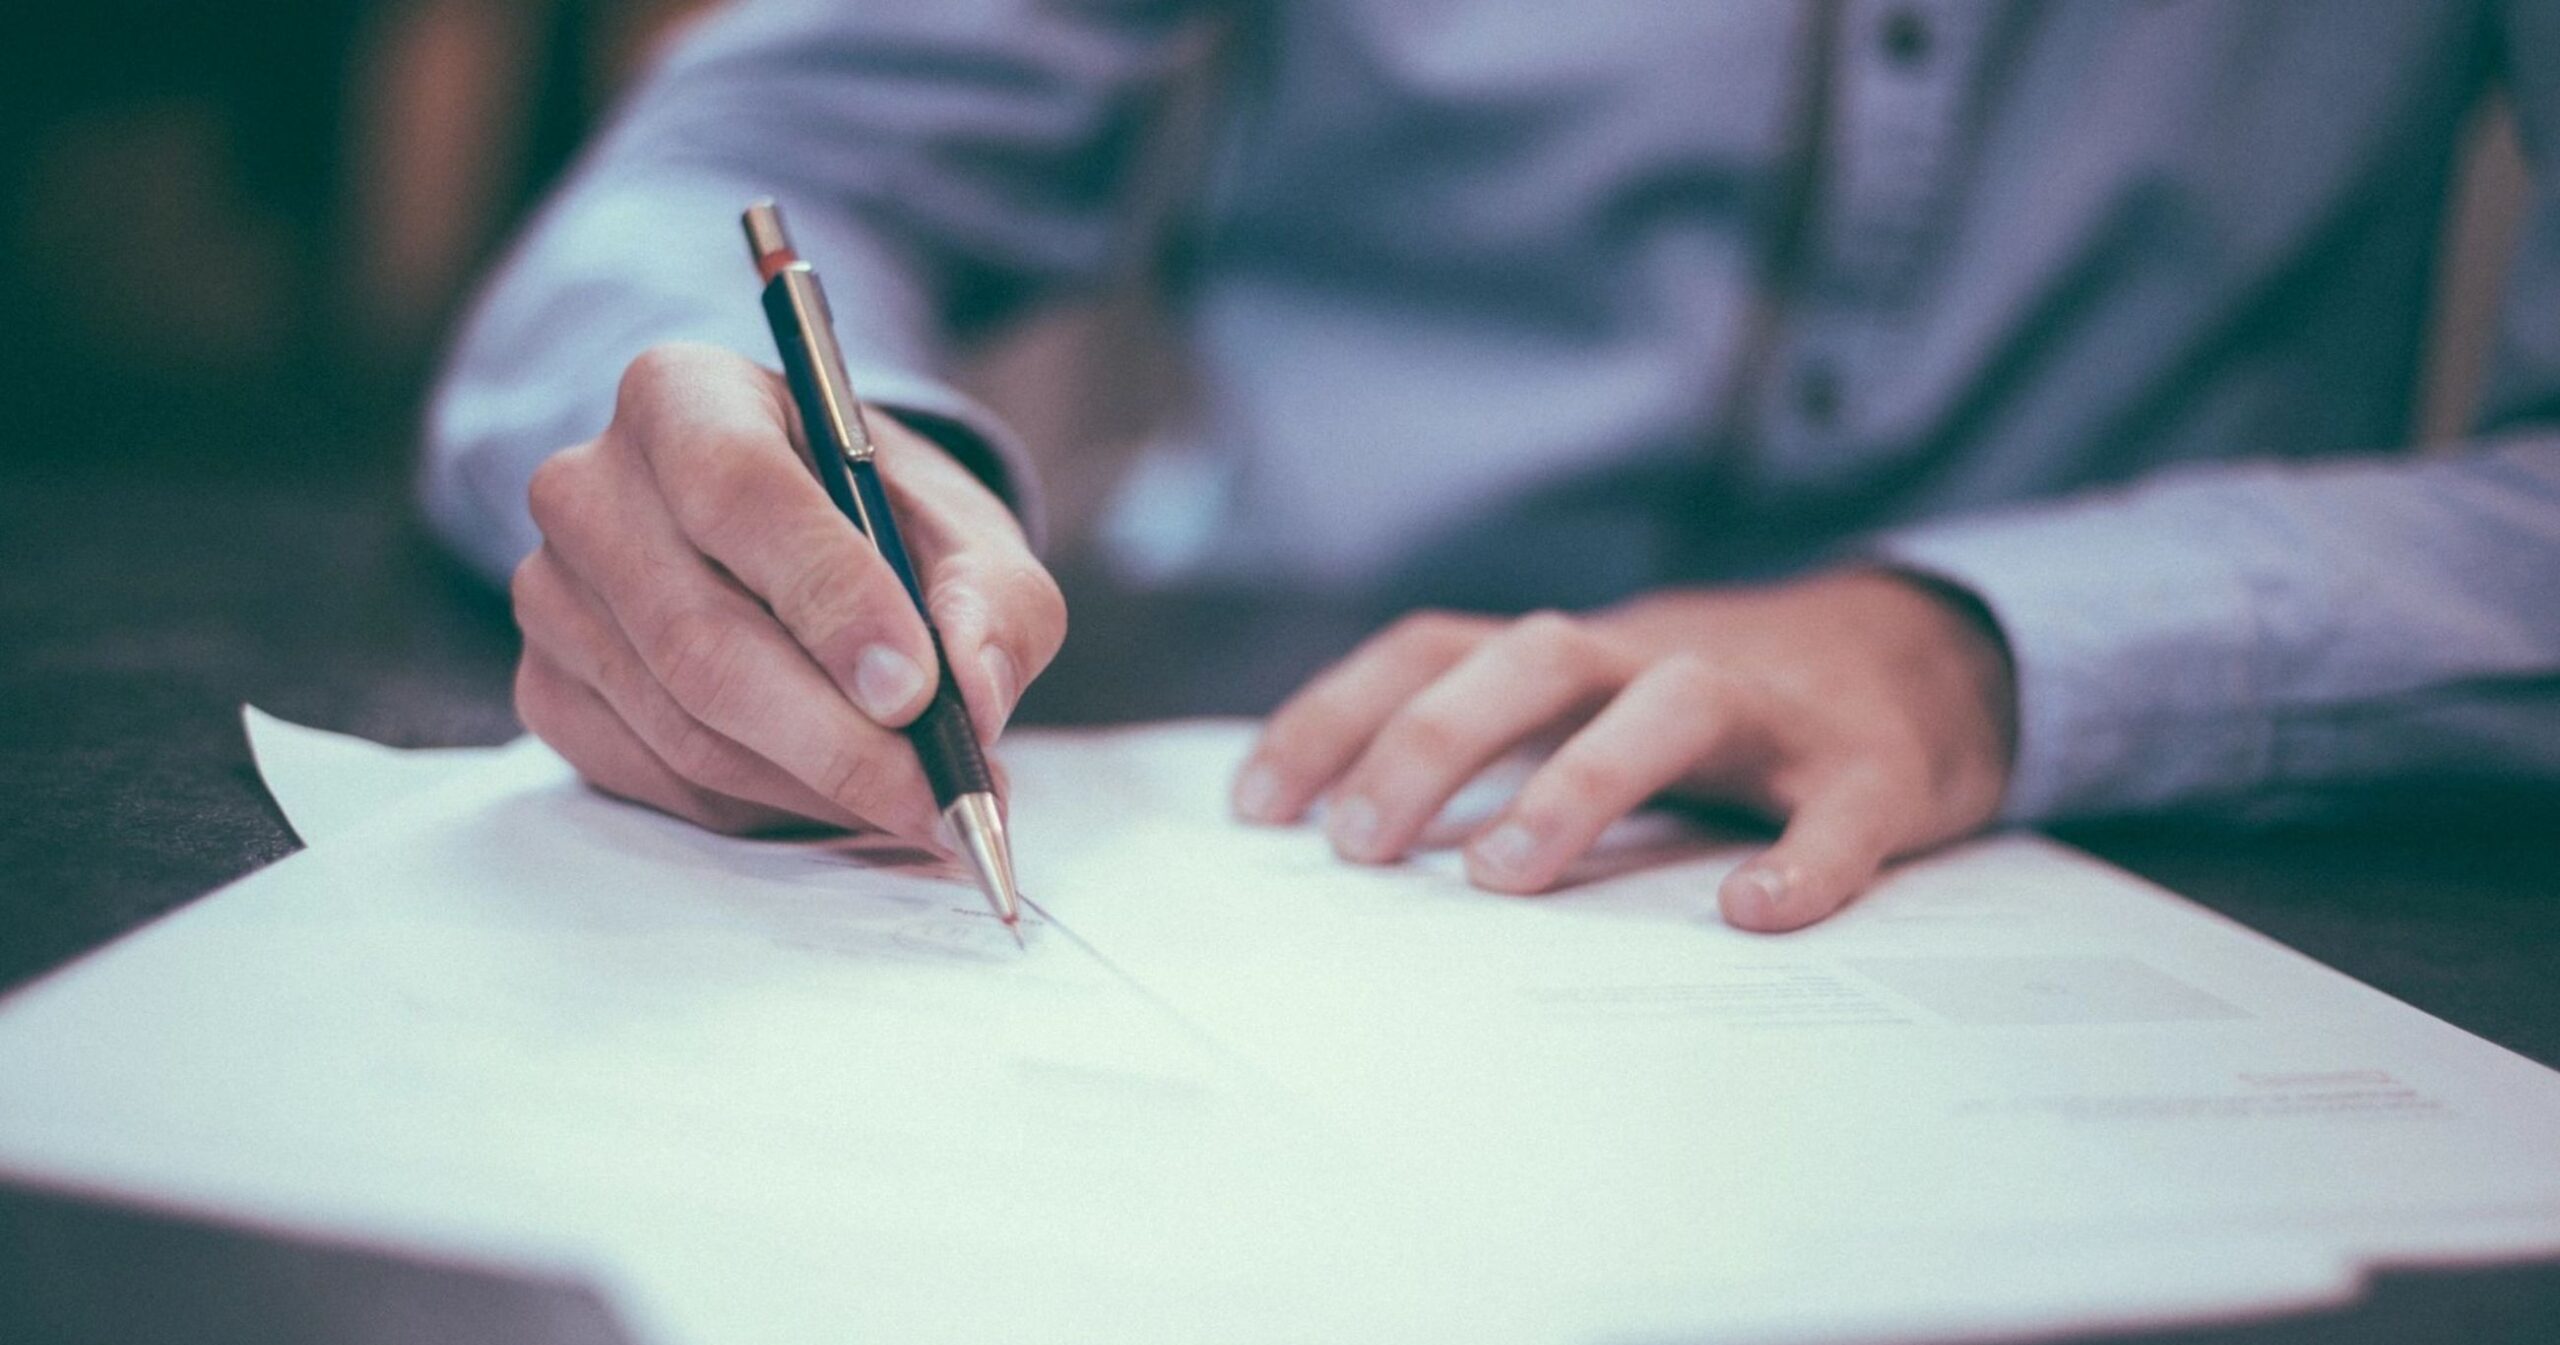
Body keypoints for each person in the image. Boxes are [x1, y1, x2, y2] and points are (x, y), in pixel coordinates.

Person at [422, 0, 2560, 932]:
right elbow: (723, 176)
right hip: (1271, 775)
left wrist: (1981, 648)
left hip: (2187, 848)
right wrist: (762, 481)